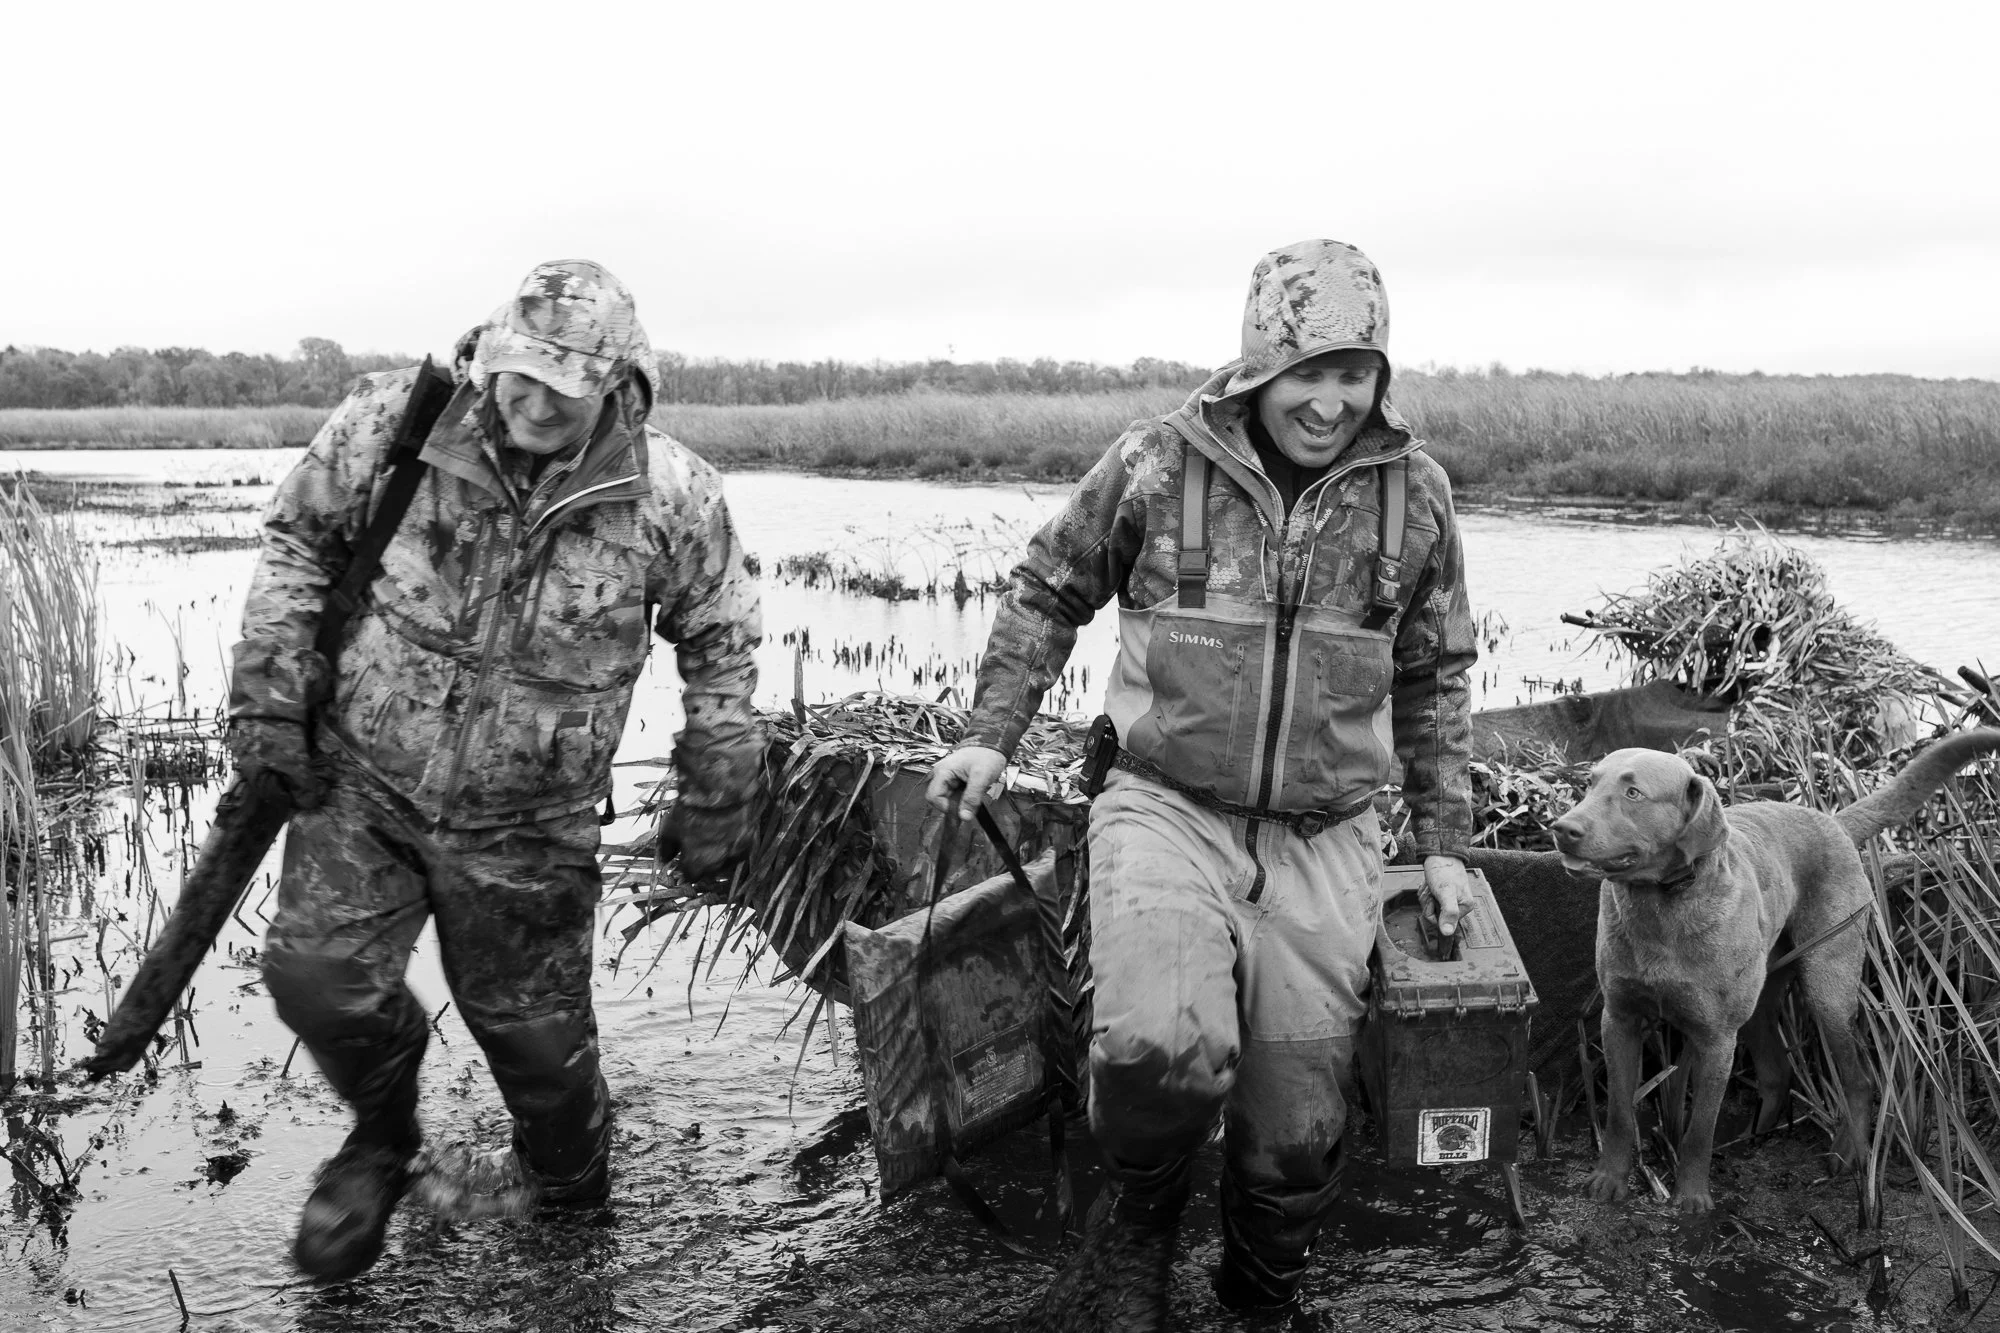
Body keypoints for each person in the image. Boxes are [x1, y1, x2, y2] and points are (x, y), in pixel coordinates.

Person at [926, 239, 1477, 1324]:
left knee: (1296, 1127)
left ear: (1379, 375)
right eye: (1305, 371)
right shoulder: (1153, 463)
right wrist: (993, 731)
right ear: (1256, 363)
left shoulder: (1414, 497)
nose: (1327, 401)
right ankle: (1137, 1228)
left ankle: (1258, 1291)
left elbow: (1435, 671)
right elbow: (1046, 587)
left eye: (1352, 372)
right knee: (1156, 1048)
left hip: (1327, 833)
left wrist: (1447, 840)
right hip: (1164, 807)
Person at [227, 259, 765, 1281]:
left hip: (531, 826)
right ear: (490, 351)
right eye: (516, 374)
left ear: (614, 385)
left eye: (558, 387)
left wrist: (720, 777)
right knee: (316, 981)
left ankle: (571, 1218)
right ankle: (383, 1139)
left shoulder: (671, 495)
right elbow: (298, 545)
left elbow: (721, 635)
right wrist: (266, 694)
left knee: (541, 1059)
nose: (527, 400)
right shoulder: (397, 423)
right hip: (363, 784)